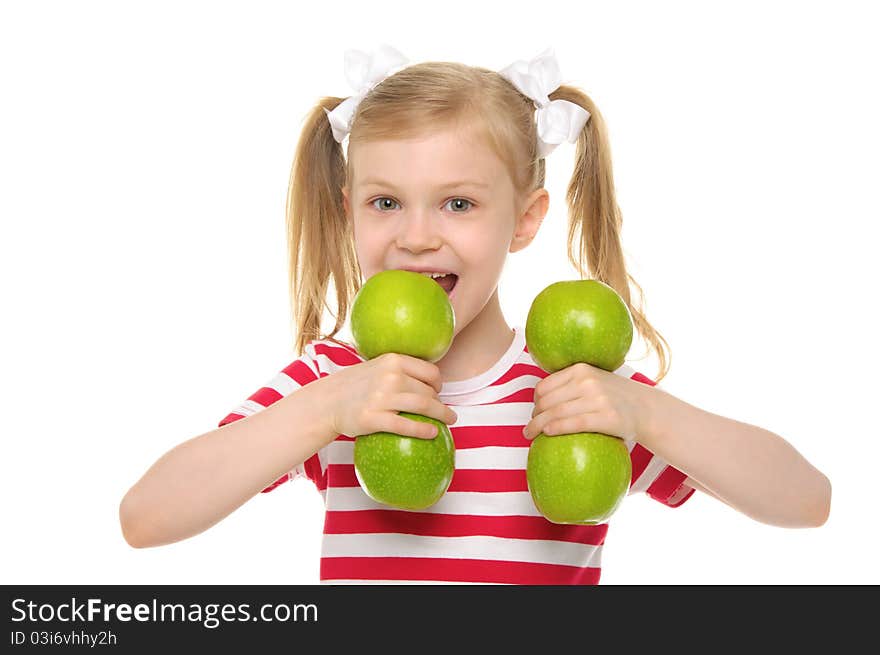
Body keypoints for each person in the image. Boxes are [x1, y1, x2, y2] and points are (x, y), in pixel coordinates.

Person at [119, 45, 831, 584]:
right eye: (385, 202)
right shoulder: (338, 382)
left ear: (524, 220)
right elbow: (146, 517)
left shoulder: (574, 391)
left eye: (458, 203)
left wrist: (647, 415)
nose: (417, 234)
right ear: (349, 212)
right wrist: (324, 408)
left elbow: (806, 500)